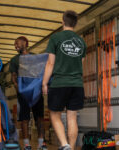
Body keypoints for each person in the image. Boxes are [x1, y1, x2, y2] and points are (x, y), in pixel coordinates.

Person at [42, 10, 86, 150]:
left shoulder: (55, 38)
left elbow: (50, 63)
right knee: (72, 117)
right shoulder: (81, 41)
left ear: (62, 21)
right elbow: (82, 62)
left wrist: (44, 82)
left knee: (55, 115)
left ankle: (64, 145)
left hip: (60, 83)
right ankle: (71, 148)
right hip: (77, 84)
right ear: (75, 23)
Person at [9, 36, 47, 150]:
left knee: (39, 118)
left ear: (25, 43)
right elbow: (13, 77)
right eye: (14, 44)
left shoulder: (35, 57)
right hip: (23, 94)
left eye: (17, 43)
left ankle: (41, 143)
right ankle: (26, 144)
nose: (15, 46)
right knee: (24, 119)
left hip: (36, 92)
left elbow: (42, 73)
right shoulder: (14, 60)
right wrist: (19, 89)